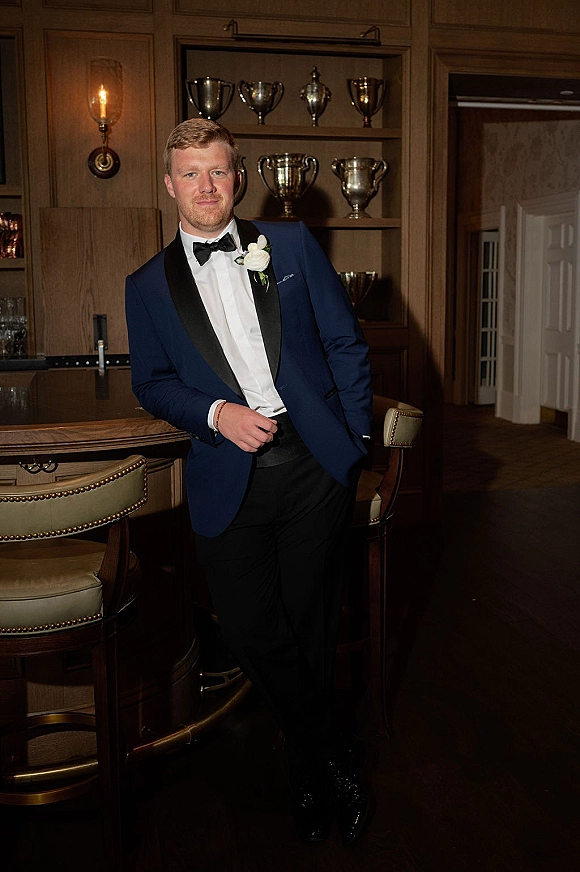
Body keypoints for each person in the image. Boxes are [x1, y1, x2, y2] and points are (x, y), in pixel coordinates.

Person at [125, 118, 373, 845]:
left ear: (239, 178)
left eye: (219, 171)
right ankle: (328, 751)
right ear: (169, 183)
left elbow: (344, 344)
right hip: (226, 475)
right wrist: (213, 412)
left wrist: (352, 440)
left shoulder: (290, 246)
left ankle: (309, 774)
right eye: (190, 173)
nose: (207, 186)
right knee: (250, 627)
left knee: (310, 621)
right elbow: (152, 383)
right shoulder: (147, 284)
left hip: (312, 466)